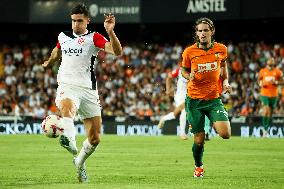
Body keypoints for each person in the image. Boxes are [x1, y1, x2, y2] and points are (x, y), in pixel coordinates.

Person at [42, 3, 122, 183]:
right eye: (73, 21)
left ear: (87, 21)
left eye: (79, 21)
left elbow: (117, 52)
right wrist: (49, 61)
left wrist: (110, 31)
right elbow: (57, 51)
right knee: (67, 106)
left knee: (94, 139)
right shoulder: (63, 37)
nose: (76, 25)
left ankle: (79, 162)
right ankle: (69, 138)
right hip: (67, 85)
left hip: (88, 90)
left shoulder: (94, 38)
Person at [181, 17, 231, 178]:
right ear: (196, 33)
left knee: (225, 133)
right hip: (194, 101)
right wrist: (190, 77)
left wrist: (226, 81)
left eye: (205, 30)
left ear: (212, 31)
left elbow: (223, 66)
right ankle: (198, 166)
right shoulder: (189, 52)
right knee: (199, 140)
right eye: (200, 31)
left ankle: (212, 123)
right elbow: (184, 71)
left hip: (213, 99)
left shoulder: (221, 49)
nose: (202, 33)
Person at [158, 66, 189, 140]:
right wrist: (168, 90)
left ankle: (164, 118)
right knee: (184, 110)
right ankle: (182, 133)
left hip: (190, 96)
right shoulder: (179, 70)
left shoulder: (195, 71)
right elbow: (169, 77)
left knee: (175, 114)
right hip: (179, 96)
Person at [258, 57, 283, 137]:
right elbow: (259, 80)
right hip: (264, 94)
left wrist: (276, 82)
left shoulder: (277, 71)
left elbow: (282, 81)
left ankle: (266, 129)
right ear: (267, 62)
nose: (271, 61)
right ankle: (265, 130)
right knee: (266, 110)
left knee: (270, 113)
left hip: (274, 95)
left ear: (274, 62)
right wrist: (261, 84)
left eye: (272, 60)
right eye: (270, 60)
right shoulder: (262, 71)